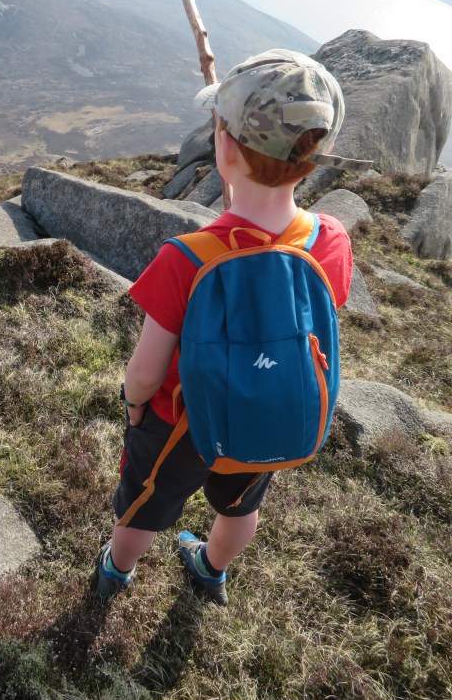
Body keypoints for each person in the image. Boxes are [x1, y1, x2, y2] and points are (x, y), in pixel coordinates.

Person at [94, 49, 371, 605]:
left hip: (181, 420)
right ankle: (211, 566)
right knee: (241, 506)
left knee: (145, 504)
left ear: (222, 146)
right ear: (319, 154)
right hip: (268, 416)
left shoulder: (188, 256)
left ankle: (117, 569)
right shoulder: (331, 239)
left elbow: (146, 371)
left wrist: (133, 408)